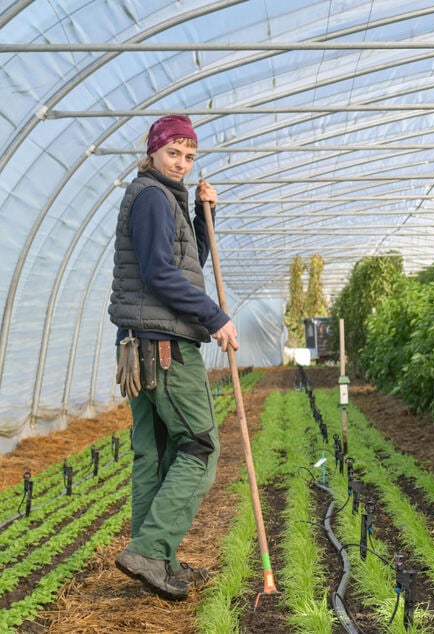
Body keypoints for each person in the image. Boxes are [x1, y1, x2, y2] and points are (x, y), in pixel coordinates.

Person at [108, 114, 238, 601]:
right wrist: (214, 318)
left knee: (157, 452)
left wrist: (206, 218)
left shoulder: (163, 199)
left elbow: (186, 265)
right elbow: (161, 275)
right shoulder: (153, 198)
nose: (181, 163)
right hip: (163, 346)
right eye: (173, 154)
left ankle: (155, 559)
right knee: (200, 445)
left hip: (140, 342)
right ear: (153, 153)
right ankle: (151, 550)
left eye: (188, 156)